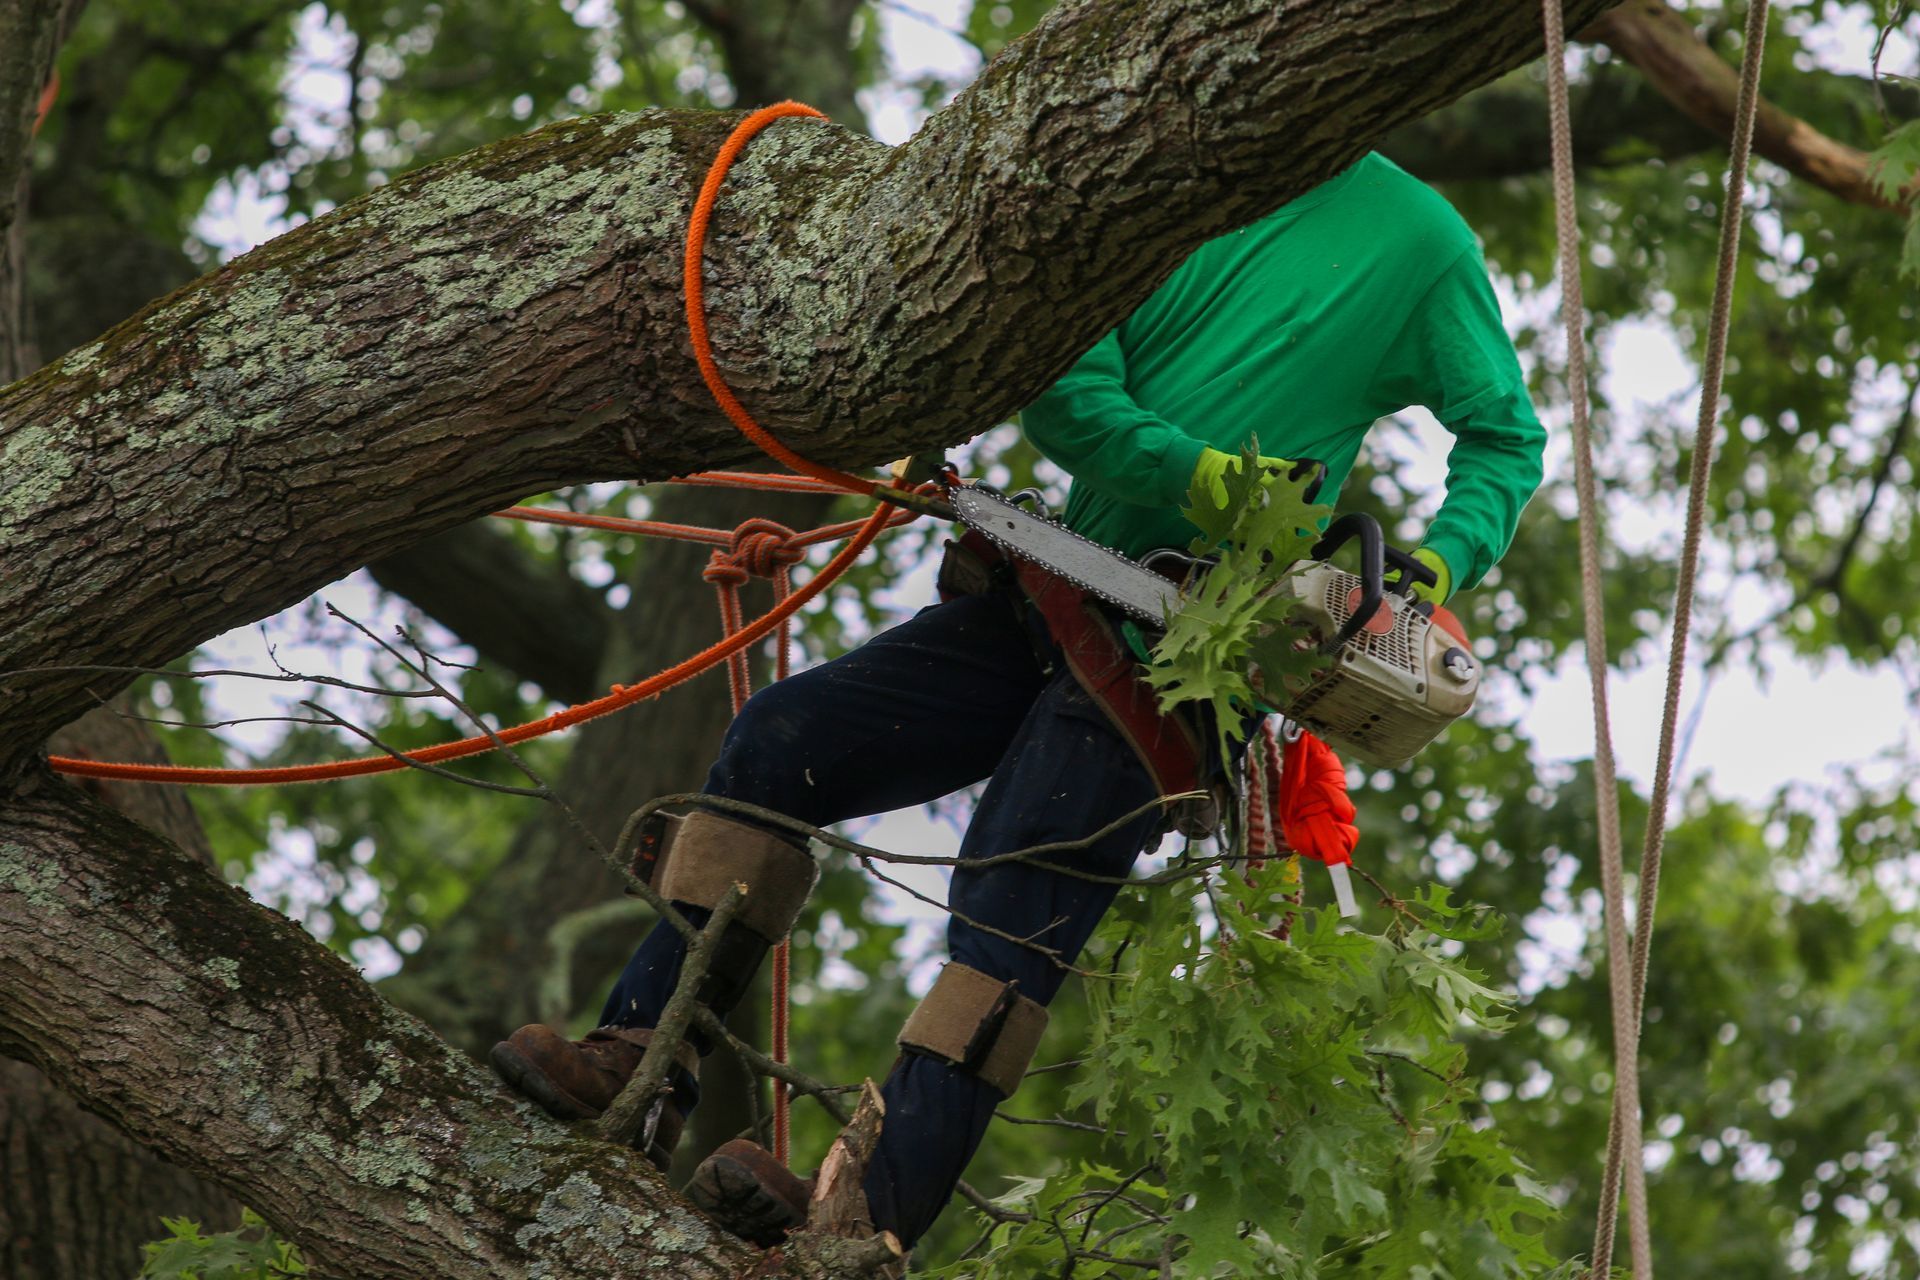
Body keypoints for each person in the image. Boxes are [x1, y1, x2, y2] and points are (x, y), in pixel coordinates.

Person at [490, 150, 1545, 1262]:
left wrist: (1435, 564)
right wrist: (1217, 483)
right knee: (782, 738)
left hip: (1188, 655)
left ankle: (863, 1216)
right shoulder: (1167, 172)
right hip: (1050, 582)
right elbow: (1071, 399)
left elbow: (1504, 434)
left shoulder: (1422, 244)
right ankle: (643, 1061)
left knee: (1010, 894)